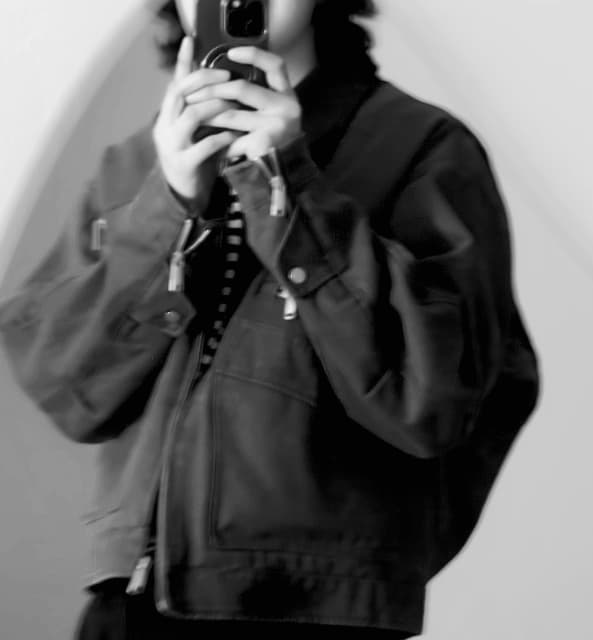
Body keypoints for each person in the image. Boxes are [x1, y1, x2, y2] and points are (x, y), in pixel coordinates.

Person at [0, 0, 540, 638]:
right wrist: (168, 206)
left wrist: (291, 188)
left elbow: (435, 400)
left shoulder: (423, 147)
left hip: (314, 605)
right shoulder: (134, 162)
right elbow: (69, 388)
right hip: (129, 604)